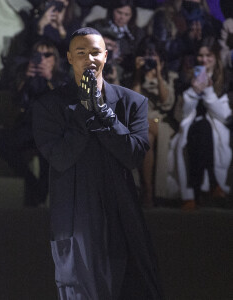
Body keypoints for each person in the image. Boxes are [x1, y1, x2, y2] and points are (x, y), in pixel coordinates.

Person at [32, 27, 163, 299]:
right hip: (74, 208)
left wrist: (106, 114)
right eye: (81, 53)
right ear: (69, 57)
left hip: (120, 207)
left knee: (130, 281)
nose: (89, 59)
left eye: (94, 52)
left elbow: (133, 156)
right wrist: (85, 110)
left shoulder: (132, 102)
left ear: (106, 56)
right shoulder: (49, 106)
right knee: (78, 284)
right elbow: (60, 157)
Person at [0, 39, 68, 206]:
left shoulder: (63, 78)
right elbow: (17, 102)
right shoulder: (25, 75)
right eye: (37, 55)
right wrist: (25, 79)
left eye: (47, 55)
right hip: (28, 128)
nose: (42, 59)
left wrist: (49, 79)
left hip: (52, 132)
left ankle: (38, 197)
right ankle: (33, 184)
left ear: (54, 58)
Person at [168, 37, 232, 211]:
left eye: (208, 55)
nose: (204, 60)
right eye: (201, 56)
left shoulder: (225, 78)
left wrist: (209, 91)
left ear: (216, 56)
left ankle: (193, 194)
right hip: (191, 124)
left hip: (217, 125)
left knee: (204, 130)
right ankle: (213, 183)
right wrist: (194, 92)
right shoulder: (186, 77)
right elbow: (183, 115)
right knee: (198, 130)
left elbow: (224, 115)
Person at [131, 36, 178, 207]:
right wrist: (138, 74)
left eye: (153, 55)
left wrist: (158, 74)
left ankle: (147, 191)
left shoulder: (170, 76)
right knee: (146, 137)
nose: (149, 59)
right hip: (143, 123)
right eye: (146, 55)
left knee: (142, 127)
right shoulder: (136, 76)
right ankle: (148, 191)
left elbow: (166, 102)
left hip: (163, 121)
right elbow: (134, 104)